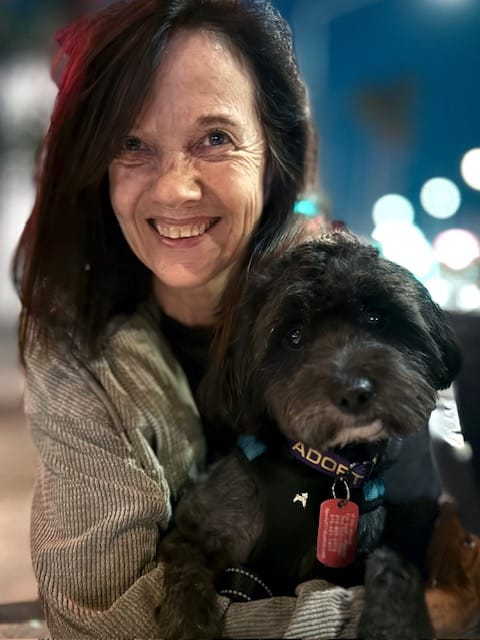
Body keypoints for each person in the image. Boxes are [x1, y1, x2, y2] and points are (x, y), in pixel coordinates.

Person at [12, 0, 463, 638]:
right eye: (131, 144)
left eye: (215, 138)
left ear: (275, 148)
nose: (174, 189)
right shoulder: (79, 354)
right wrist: (376, 619)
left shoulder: (369, 309)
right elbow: (107, 623)